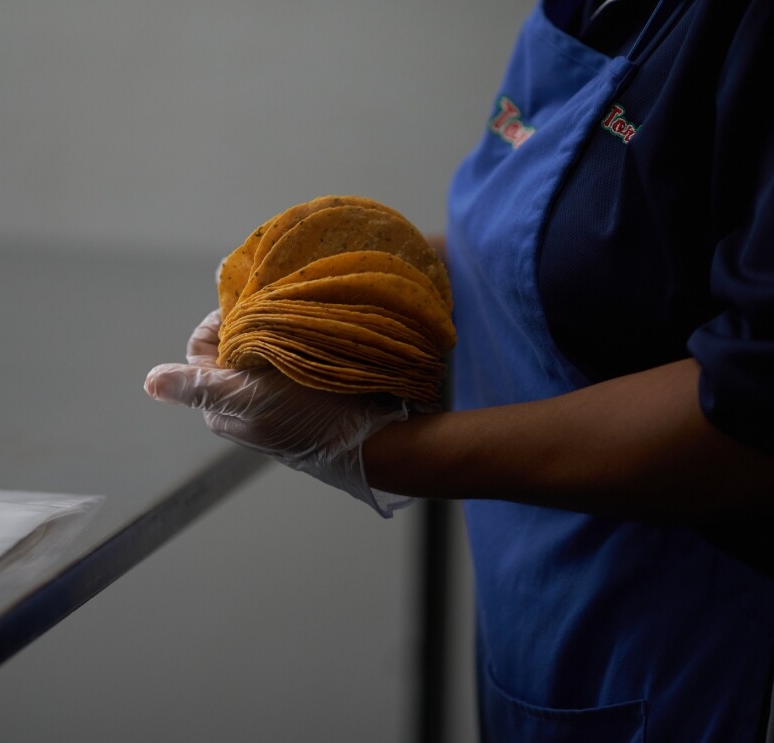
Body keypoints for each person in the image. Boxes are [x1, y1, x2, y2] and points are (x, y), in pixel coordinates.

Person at [145, 0, 774, 739]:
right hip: (537, 616)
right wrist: (325, 315)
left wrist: (374, 451)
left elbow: (749, 413)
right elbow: (553, 255)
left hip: (695, 642)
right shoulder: (585, 8)